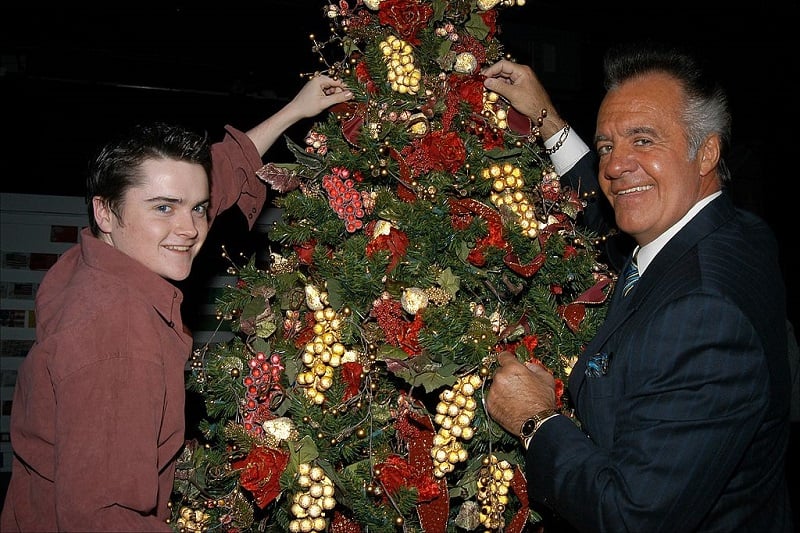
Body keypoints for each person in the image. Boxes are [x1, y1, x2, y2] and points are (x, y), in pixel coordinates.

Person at [0, 75, 352, 532]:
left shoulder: (95, 260)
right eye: (164, 208)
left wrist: (293, 111)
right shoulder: (121, 343)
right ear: (105, 211)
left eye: (198, 208)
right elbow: (103, 519)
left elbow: (215, 176)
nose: (190, 229)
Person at [483, 43, 793, 532]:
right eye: (607, 145)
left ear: (706, 150)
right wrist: (549, 123)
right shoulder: (734, 230)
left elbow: (632, 516)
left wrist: (535, 419)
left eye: (643, 140)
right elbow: (618, 206)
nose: (614, 165)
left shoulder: (704, 313)